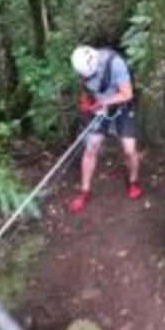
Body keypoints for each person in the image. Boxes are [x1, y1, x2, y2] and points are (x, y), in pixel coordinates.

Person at [68, 45, 143, 213]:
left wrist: (102, 103)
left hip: (123, 107)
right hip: (100, 108)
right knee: (91, 147)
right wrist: (86, 102)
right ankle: (85, 191)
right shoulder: (82, 69)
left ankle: (133, 181)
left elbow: (127, 93)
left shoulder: (115, 63)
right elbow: (86, 89)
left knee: (129, 150)